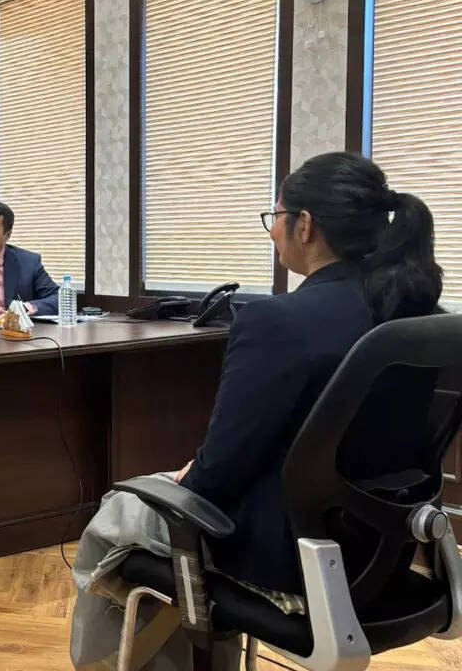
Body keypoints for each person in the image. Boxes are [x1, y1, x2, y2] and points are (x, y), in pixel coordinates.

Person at [70, 151, 444, 670]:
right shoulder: (419, 314)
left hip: (288, 562)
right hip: (384, 551)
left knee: (118, 512)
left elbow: (218, 475)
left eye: (276, 217)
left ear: (305, 225)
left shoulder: (277, 321)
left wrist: (188, 478)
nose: (272, 232)